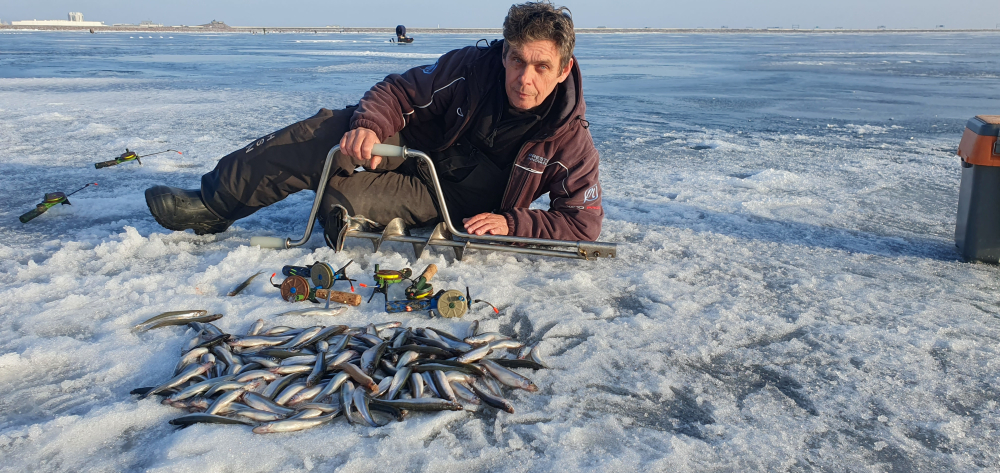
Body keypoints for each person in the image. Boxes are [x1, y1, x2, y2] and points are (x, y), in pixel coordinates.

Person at [145, 1, 604, 250]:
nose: (525, 78)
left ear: (563, 68)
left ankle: (345, 216)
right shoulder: (471, 68)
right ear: (504, 53)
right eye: (517, 60)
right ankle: (214, 202)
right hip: (416, 149)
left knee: (336, 199)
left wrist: (512, 222)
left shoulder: (571, 141)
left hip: (449, 200)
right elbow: (399, 91)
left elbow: (582, 223)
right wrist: (368, 125)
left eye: (541, 67)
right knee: (331, 133)